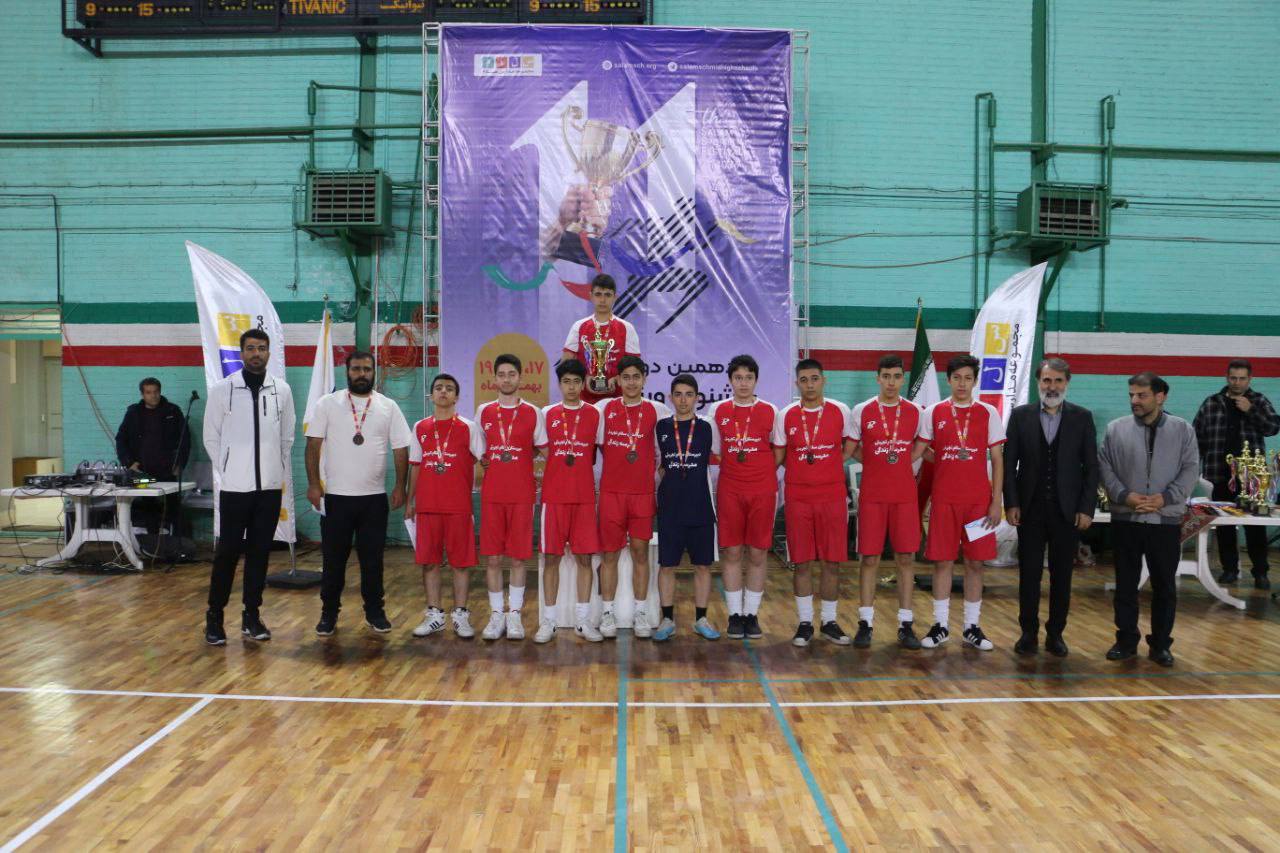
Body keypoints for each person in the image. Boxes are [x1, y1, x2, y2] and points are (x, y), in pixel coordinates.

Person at [305, 351, 411, 637]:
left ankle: (375, 612)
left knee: (373, 562)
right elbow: (313, 445)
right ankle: (328, 614)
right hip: (336, 499)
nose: (361, 374)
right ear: (347, 371)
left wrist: (400, 486)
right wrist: (314, 485)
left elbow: (401, 448)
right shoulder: (328, 404)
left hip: (373, 500)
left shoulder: (388, 406)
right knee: (333, 561)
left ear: (374, 372)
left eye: (366, 369)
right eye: (356, 369)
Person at [201, 329, 295, 646]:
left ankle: (251, 616)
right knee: (227, 554)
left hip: (268, 490)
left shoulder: (281, 390)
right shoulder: (223, 390)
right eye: (251, 348)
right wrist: (228, 469)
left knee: (259, 555)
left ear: (269, 353)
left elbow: (287, 436)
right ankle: (214, 617)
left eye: (262, 348)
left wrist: (274, 467)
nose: (257, 353)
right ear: (241, 353)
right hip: (234, 490)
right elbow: (211, 436)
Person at [1099, 372, 1199, 667]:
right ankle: (1126, 640)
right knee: (1125, 584)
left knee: (1164, 586)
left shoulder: (1183, 430)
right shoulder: (1115, 429)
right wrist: (1124, 495)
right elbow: (1104, 467)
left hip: (1164, 521)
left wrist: (1165, 498)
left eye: (1141, 395)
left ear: (1160, 396)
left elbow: (1191, 469)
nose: (1135, 400)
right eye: (1131, 394)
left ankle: (1161, 645)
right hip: (1126, 519)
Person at [1004, 358, 1099, 657]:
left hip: (1067, 512)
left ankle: (1056, 633)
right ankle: (1028, 633)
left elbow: (1091, 468)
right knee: (1029, 575)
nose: (1052, 386)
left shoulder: (1082, 417)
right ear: (1038, 382)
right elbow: (1009, 464)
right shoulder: (1020, 416)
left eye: (1058, 380)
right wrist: (1012, 502)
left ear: (1067, 383)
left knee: (1062, 576)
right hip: (1029, 509)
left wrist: (1087, 508)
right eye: (1047, 380)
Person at [916, 354, 1005, 651]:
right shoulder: (934, 412)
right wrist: (942, 460)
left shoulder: (988, 413)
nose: (962, 384)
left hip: (978, 504)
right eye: (957, 378)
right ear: (949, 380)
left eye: (968, 378)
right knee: (942, 562)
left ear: (975, 381)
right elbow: (922, 449)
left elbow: (997, 459)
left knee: (975, 563)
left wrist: (996, 501)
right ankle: (940, 625)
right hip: (944, 502)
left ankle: (971, 627)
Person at [771, 358, 855, 647]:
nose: (809, 385)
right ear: (797, 383)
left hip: (832, 496)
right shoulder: (785, 415)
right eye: (804, 380)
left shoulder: (840, 410)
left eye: (814, 379)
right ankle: (805, 622)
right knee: (802, 562)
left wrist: (830, 464)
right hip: (798, 498)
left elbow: (850, 445)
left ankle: (829, 621)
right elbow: (780, 455)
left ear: (823, 380)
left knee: (832, 562)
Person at [849, 355, 926, 649]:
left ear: (902, 378)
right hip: (873, 495)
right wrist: (873, 462)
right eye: (886, 376)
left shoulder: (915, 411)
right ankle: (865, 623)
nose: (891, 382)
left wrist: (905, 460)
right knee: (869, 559)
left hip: (904, 496)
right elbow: (852, 448)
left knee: (906, 559)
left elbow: (921, 445)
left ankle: (906, 624)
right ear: (877, 378)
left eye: (896, 376)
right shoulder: (862, 410)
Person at [595, 355, 672, 638]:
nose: (631, 382)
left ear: (644, 379)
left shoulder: (658, 410)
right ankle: (607, 613)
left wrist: (654, 478)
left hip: (642, 494)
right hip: (611, 494)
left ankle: (640, 613)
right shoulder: (603, 409)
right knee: (610, 554)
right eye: (625, 377)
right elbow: (596, 445)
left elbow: (666, 452)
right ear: (617, 380)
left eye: (636, 377)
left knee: (640, 553)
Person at [407, 374, 486, 639]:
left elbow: (484, 461)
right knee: (429, 563)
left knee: (460, 564)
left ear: (457, 396)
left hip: (458, 507)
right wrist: (410, 501)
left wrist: (477, 487)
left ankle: (460, 615)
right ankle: (435, 615)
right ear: (431, 395)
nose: (443, 392)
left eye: (449, 389)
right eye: (439, 388)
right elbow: (415, 466)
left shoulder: (468, 427)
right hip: (427, 506)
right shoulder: (420, 427)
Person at [476, 354, 548, 641]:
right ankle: (497, 615)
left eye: (511, 374)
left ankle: (515, 615)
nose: (506, 379)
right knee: (493, 558)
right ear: (494, 378)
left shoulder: (533, 412)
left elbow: (542, 448)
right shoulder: (483, 411)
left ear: (520, 377)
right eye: (501, 374)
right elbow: (480, 451)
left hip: (522, 494)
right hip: (492, 494)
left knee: (519, 558)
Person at [707, 354, 778, 640]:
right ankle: (735, 615)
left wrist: (760, 472)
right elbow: (715, 449)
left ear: (756, 380)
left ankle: (752, 615)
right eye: (738, 378)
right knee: (732, 552)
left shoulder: (771, 411)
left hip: (762, 490)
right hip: (730, 489)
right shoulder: (718, 410)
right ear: (730, 381)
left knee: (758, 553)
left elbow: (778, 450)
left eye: (749, 378)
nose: (743, 383)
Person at [1193, 359, 1279, 589]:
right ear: (1227, 377)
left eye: (1242, 378)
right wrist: (1192, 468)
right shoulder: (1212, 403)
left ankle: (1260, 572)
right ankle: (1229, 569)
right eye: (1233, 378)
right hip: (1218, 473)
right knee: (1224, 524)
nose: (1237, 382)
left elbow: (1273, 427)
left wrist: (1251, 410)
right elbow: (1197, 437)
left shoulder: (1259, 401)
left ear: (1250, 379)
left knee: (1255, 524)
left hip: (1251, 478)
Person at [539, 359, 603, 643]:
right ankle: (548, 622)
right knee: (551, 558)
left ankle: (582, 621)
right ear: (559, 384)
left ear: (584, 383)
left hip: (584, 498)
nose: (572, 387)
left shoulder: (595, 414)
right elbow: (538, 450)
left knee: (584, 559)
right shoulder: (547, 414)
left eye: (577, 381)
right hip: (554, 498)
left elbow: (601, 451)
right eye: (567, 382)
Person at [653, 373, 721, 642]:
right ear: (670, 398)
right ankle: (667, 619)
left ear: (697, 398)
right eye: (678, 395)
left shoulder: (707, 427)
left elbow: (721, 456)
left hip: (700, 507)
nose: (683, 400)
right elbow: (657, 463)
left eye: (689, 395)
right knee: (667, 565)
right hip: (670, 508)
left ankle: (701, 619)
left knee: (702, 566)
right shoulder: (661, 427)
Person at [114, 376, 190, 536]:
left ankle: (177, 542)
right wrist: (129, 462)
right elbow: (121, 439)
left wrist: (180, 464)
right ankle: (152, 540)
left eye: (156, 392)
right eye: (148, 392)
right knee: (148, 506)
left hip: (168, 469)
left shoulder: (172, 411)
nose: (153, 396)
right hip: (143, 471)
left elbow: (185, 440)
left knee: (173, 506)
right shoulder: (133, 413)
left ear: (160, 392)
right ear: (142, 394)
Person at [561, 273, 640, 405]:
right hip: (584, 401)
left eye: (607, 295)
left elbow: (635, 367)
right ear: (591, 296)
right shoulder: (579, 326)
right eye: (598, 294)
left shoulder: (627, 328)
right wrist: (584, 378)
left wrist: (617, 379)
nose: (602, 300)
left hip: (618, 401)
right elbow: (566, 364)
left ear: (615, 297)